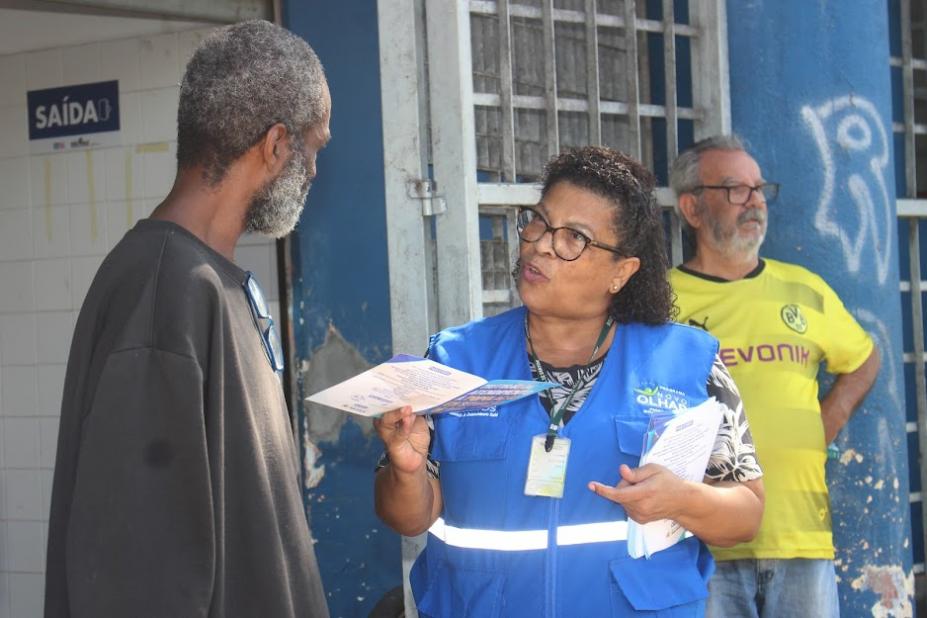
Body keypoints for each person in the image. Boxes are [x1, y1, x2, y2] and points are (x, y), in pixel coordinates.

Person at [374, 147, 765, 617]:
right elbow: (407, 517)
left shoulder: (689, 363)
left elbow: (746, 514)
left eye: (573, 238)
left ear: (621, 272)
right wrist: (406, 469)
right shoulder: (455, 361)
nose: (540, 244)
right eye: (538, 222)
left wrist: (683, 500)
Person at [44, 21, 331, 618]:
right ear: (276, 144)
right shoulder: (162, 294)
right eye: (315, 146)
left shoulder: (212, 282)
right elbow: (133, 582)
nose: (315, 170)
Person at [668, 135, 881, 618]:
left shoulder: (804, 288)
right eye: (735, 189)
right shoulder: (663, 302)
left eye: (759, 188)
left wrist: (828, 420)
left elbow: (863, 359)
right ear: (693, 209)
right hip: (702, 538)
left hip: (801, 535)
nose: (755, 200)